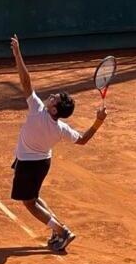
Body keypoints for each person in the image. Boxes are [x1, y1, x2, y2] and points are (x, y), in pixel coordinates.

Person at [10, 34, 108, 252]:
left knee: (29, 203)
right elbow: (82, 140)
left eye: (54, 98)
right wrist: (98, 121)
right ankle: (58, 229)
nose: (52, 96)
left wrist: (17, 54)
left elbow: (25, 82)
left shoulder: (37, 110)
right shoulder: (61, 129)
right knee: (34, 197)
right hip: (42, 163)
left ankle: (61, 231)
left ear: (54, 109)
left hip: (28, 164)